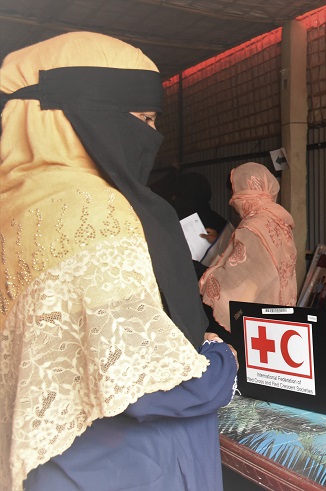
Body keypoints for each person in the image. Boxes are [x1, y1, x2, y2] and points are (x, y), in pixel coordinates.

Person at [0, 32, 238, 491]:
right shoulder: (94, 209)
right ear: (80, 115)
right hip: (137, 468)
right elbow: (143, 382)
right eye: (141, 118)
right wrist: (220, 363)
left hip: (54, 467)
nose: (151, 135)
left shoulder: (17, 205)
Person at [199, 162, 297, 336]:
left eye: (234, 193)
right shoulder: (279, 220)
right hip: (278, 313)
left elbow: (232, 279)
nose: (231, 202)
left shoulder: (252, 227)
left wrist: (203, 277)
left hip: (253, 317)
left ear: (245, 193)